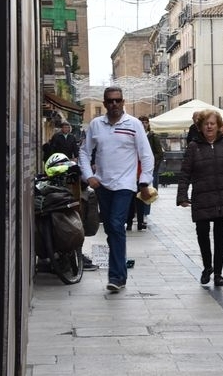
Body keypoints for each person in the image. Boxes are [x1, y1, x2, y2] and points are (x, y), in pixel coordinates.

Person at [78, 86, 155, 293]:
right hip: (103, 184)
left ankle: (117, 276)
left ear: (123, 102)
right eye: (110, 101)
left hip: (125, 184)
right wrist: (89, 176)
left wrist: (144, 182)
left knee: (115, 223)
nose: (114, 104)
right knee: (112, 229)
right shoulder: (96, 125)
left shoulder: (134, 124)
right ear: (104, 103)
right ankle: (118, 271)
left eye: (117, 100)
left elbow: (146, 155)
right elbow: (84, 153)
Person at [177, 109, 223, 287]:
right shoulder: (194, 146)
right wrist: (182, 195)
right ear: (200, 126)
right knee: (202, 233)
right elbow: (185, 173)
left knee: (220, 234)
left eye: (212, 123)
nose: (209, 126)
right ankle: (207, 267)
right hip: (202, 195)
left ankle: (219, 273)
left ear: (219, 125)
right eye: (206, 123)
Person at [126, 115, 165, 231]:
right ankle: (130, 220)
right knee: (132, 198)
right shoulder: (134, 136)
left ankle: (142, 218)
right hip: (132, 171)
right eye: (141, 122)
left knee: (144, 195)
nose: (143, 124)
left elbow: (159, 153)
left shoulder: (153, 137)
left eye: (145, 122)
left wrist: (151, 164)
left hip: (145, 170)